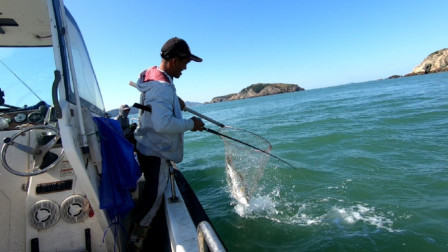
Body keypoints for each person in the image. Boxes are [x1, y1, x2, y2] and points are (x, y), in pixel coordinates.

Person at [129, 37, 204, 249]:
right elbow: (162, 124)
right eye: (185, 63)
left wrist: (175, 98)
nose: (186, 68)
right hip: (156, 150)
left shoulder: (156, 77)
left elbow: (159, 98)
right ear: (173, 61)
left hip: (146, 145)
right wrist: (191, 124)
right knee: (154, 197)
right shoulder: (162, 87)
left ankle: (139, 229)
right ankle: (136, 238)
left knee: (153, 191)